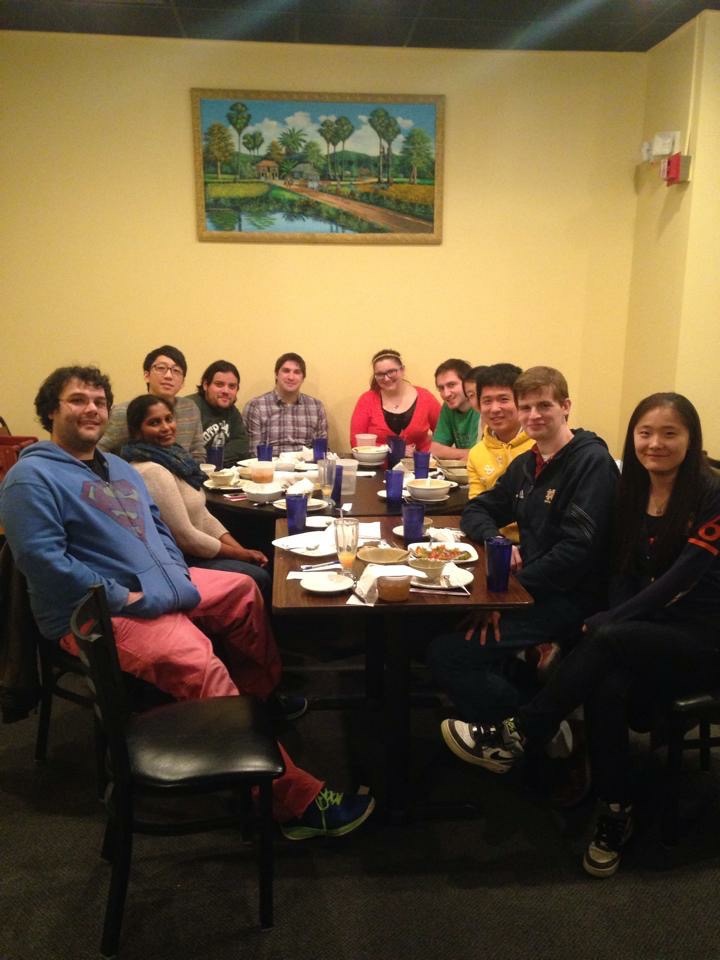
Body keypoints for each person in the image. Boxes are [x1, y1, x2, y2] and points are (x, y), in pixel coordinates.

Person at [0, 366, 374, 840]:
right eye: (77, 400)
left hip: (157, 586)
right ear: (51, 410)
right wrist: (127, 596)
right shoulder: (31, 477)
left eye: (99, 401)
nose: (91, 409)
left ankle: (254, 707)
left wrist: (175, 577)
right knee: (198, 660)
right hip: (97, 611)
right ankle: (292, 801)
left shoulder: (117, 467)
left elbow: (158, 528)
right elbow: (44, 562)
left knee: (242, 591)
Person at [440, 393, 720, 878]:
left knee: (603, 639)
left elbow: (683, 580)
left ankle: (519, 732)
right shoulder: (633, 490)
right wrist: (620, 616)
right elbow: (621, 568)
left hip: (702, 637)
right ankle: (615, 811)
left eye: (669, 433)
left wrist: (614, 620)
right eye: (645, 433)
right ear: (633, 438)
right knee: (607, 686)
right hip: (646, 629)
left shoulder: (711, 495)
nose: (655, 443)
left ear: (691, 439)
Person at [429, 365, 619, 729]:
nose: (534, 415)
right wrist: (495, 539)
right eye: (527, 407)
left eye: (544, 406)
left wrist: (504, 596)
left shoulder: (591, 462)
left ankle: (523, 731)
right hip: (532, 588)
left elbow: (576, 553)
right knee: (435, 623)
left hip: (572, 598)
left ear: (566, 406)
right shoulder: (528, 464)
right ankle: (530, 699)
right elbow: (477, 509)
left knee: (448, 653)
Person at [122, 394, 270, 603]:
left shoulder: (173, 458)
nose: (166, 427)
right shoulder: (151, 470)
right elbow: (186, 539)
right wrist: (242, 555)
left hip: (199, 551)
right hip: (182, 561)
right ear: (137, 431)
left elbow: (203, 517)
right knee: (259, 576)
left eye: (168, 419)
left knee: (263, 558)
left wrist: (242, 550)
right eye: (154, 423)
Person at [99, 345, 205, 462]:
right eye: (161, 368)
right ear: (147, 375)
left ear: (182, 382)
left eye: (176, 371)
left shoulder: (190, 408)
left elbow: (198, 453)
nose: (168, 376)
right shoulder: (124, 411)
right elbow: (100, 450)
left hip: (184, 471)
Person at [350, 348, 441, 452]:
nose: (386, 378)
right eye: (380, 374)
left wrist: (423, 453)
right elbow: (356, 442)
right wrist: (395, 450)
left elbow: (443, 436)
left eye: (391, 372)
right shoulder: (367, 400)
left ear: (402, 370)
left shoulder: (426, 398)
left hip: (418, 461)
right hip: (377, 462)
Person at [466, 363, 534, 501]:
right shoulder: (476, 454)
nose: (495, 409)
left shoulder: (540, 445)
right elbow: (476, 505)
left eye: (503, 399)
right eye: (487, 401)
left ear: (521, 401)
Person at [243, 352, 327, 455]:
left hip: (306, 464)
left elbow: (321, 453)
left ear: (303, 378)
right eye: (286, 371)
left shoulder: (316, 407)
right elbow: (253, 454)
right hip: (269, 464)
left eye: (297, 372)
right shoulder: (256, 406)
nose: (291, 377)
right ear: (276, 374)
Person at [189, 359, 250, 466]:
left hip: (225, 472)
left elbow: (241, 445)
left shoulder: (232, 411)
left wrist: (216, 458)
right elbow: (184, 453)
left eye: (232, 386)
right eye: (219, 384)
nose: (226, 391)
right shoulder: (189, 407)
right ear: (205, 385)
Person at [430, 358, 480, 462]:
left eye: (451, 385)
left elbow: (483, 456)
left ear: (467, 384)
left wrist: (472, 454)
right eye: (441, 388)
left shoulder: (481, 406)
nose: (446, 394)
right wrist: (468, 453)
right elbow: (434, 449)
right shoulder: (448, 406)